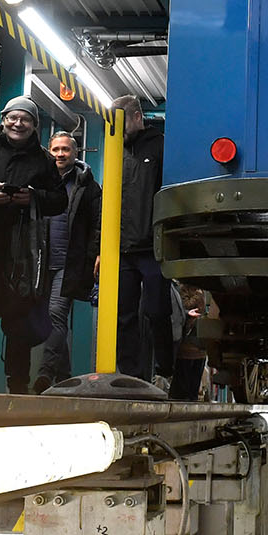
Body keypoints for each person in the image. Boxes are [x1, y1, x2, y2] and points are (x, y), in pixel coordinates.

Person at [0, 96, 67, 390]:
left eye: (25, 119)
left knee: (19, 317)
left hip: (23, 249)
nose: (18, 123)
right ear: (3, 120)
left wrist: (34, 197)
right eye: (13, 118)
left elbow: (60, 200)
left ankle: (18, 384)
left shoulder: (44, 160)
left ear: (34, 125)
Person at [25, 129, 100, 393]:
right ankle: (64, 376)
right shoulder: (38, 180)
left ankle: (44, 375)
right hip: (39, 261)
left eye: (65, 149)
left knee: (56, 315)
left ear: (75, 153)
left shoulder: (88, 186)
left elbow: (97, 224)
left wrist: (97, 253)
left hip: (69, 263)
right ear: (49, 151)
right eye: (55, 149)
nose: (60, 154)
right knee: (46, 318)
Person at [107, 94, 168, 384]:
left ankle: (164, 371)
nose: (117, 128)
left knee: (157, 311)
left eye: (122, 121)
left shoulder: (160, 146)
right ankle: (132, 375)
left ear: (136, 117)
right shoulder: (114, 150)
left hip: (153, 246)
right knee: (123, 315)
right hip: (121, 249)